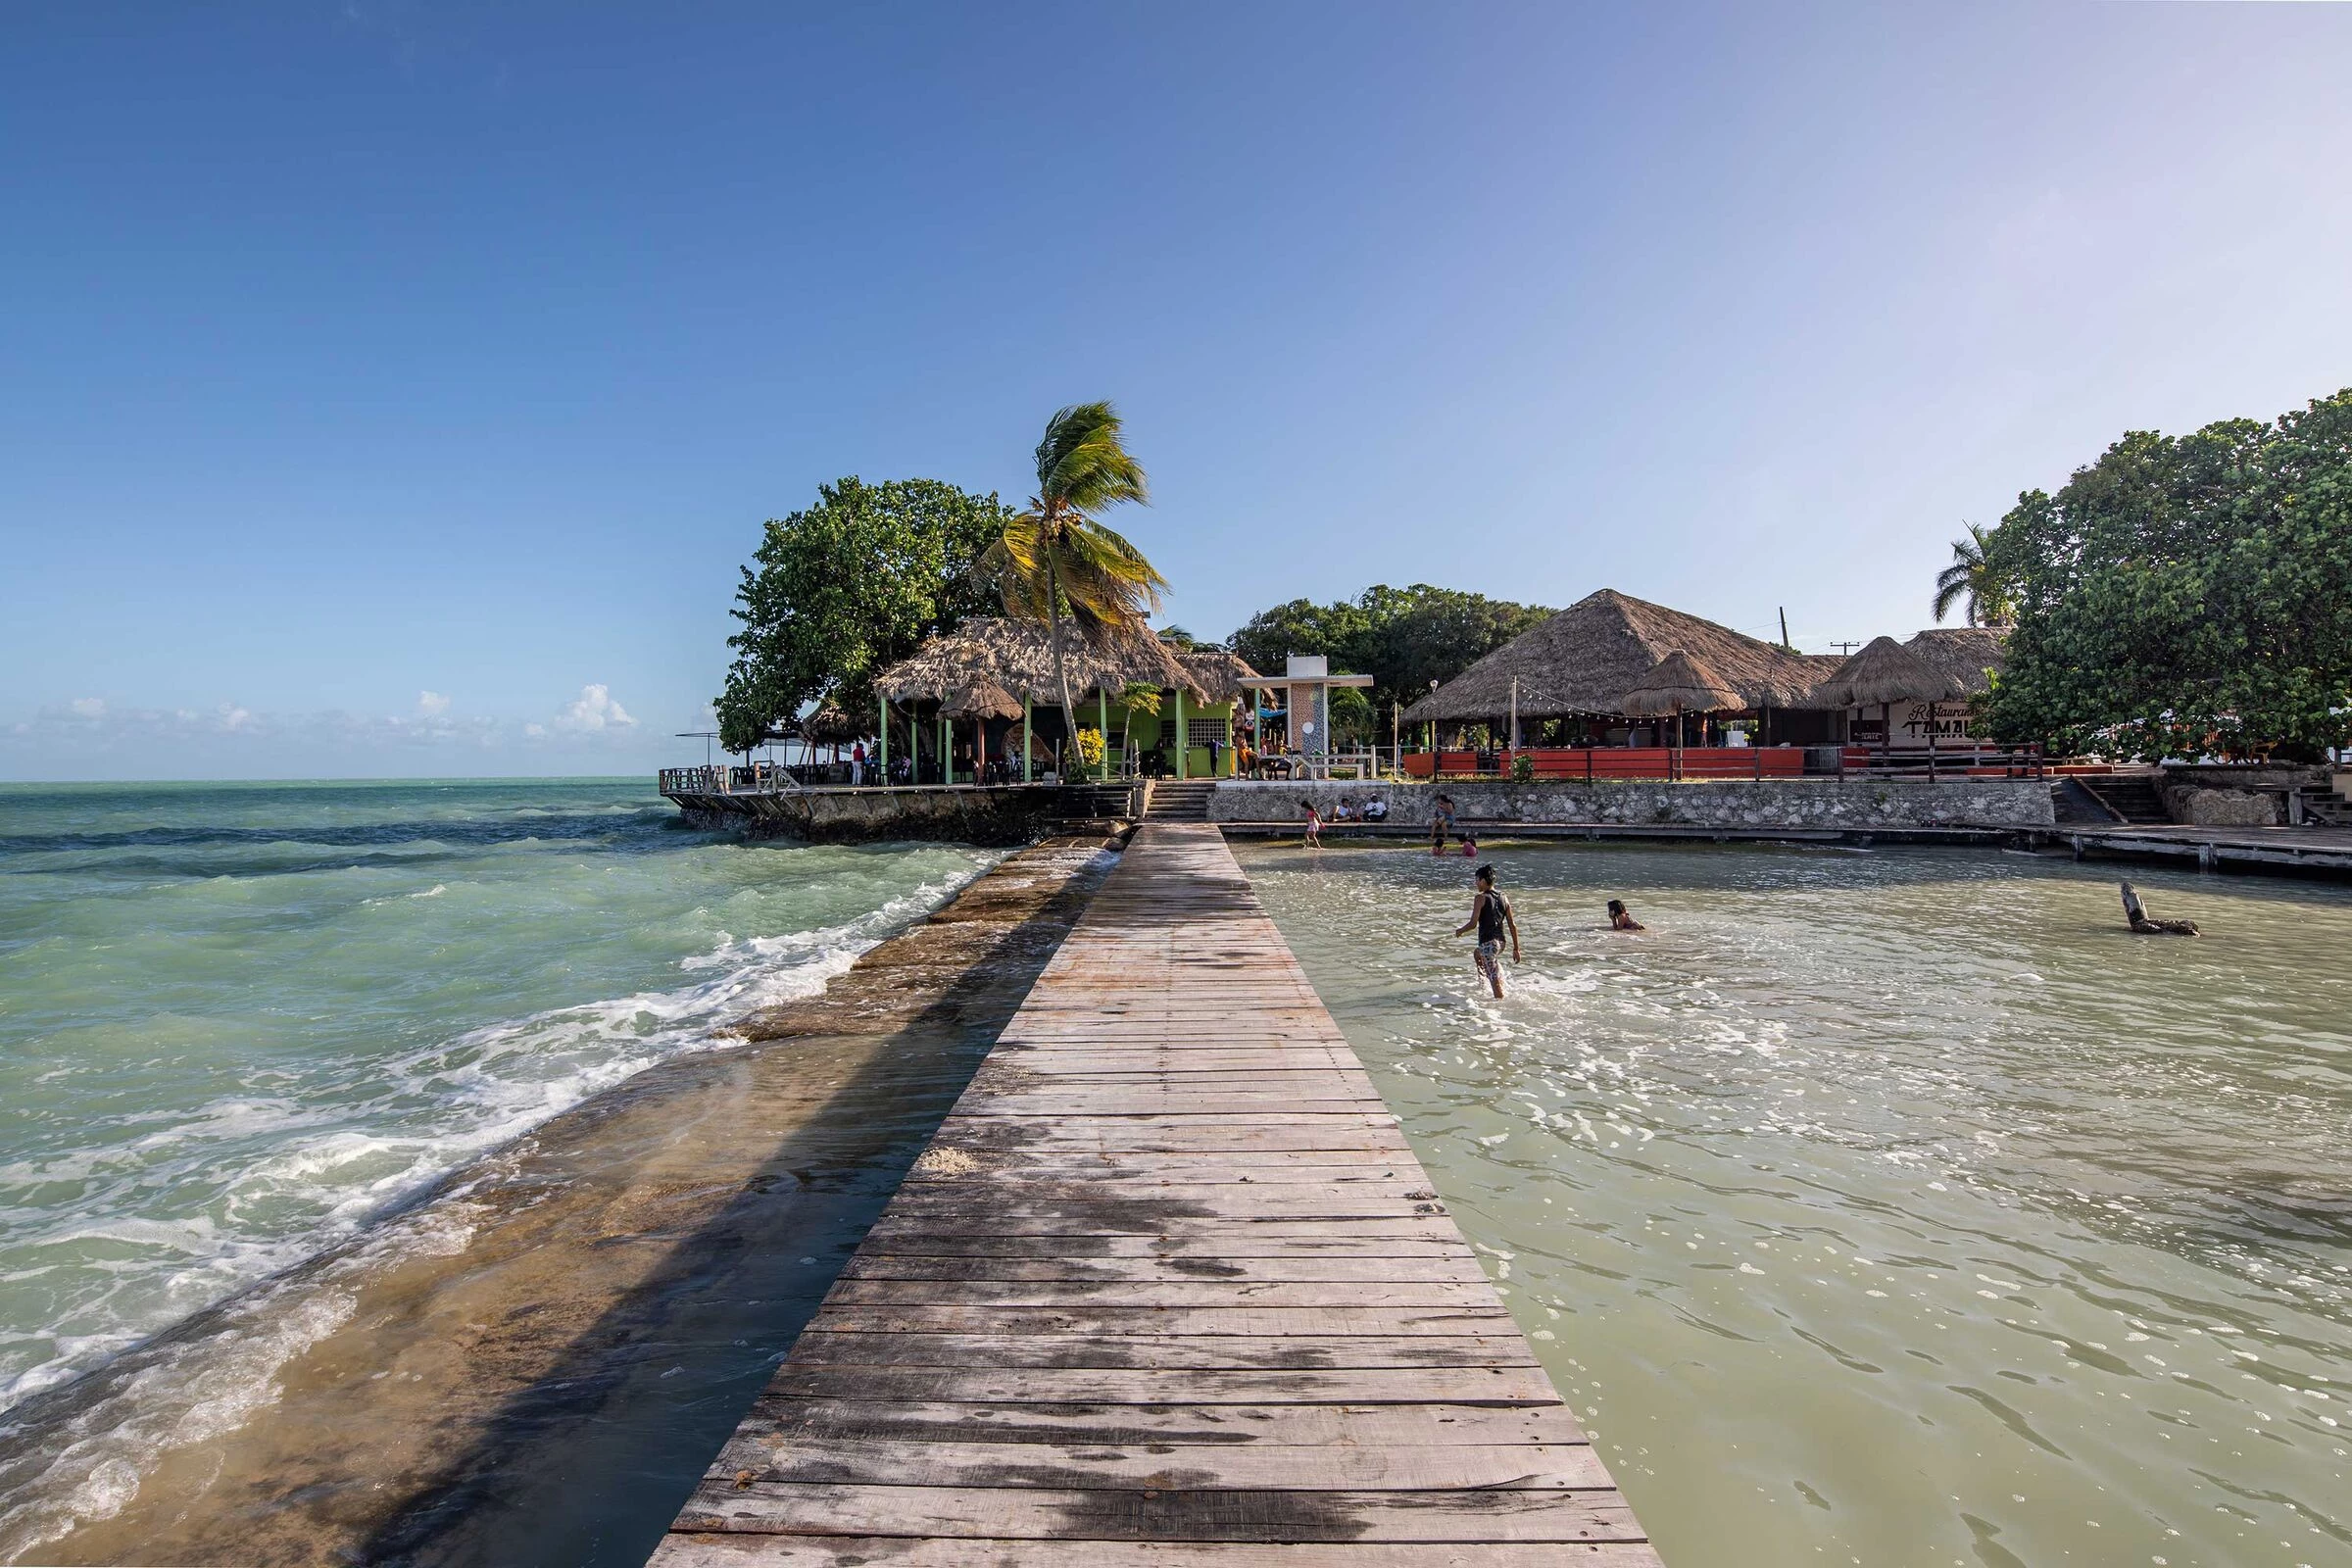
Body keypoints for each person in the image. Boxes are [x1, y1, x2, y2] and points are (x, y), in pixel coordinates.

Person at [1454, 863, 1522, 999]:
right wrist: (1516, 949)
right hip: (1501, 943)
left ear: (1483, 881)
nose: (1476, 883)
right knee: (1477, 954)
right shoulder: (1504, 897)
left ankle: (1499, 1006)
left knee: (1495, 986)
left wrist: (1460, 931)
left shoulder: (1480, 898)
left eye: (1477, 880)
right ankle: (1483, 984)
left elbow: (1473, 924)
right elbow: (1512, 925)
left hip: (1488, 944)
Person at [2121, 881, 2198, 936]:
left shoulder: (2139, 926)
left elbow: (2157, 930)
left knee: (2140, 926)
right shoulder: (2143, 923)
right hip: (2176, 928)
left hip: (2173, 930)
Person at [1431, 792, 1457, 856]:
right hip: (1443, 818)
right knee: (1435, 823)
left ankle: (1446, 837)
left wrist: (1443, 807)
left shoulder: (1449, 804)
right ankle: (1431, 836)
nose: (1439, 800)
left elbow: (1450, 812)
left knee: (1444, 824)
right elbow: (1437, 813)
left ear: (1442, 799)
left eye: (1439, 799)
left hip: (1450, 818)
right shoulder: (1440, 804)